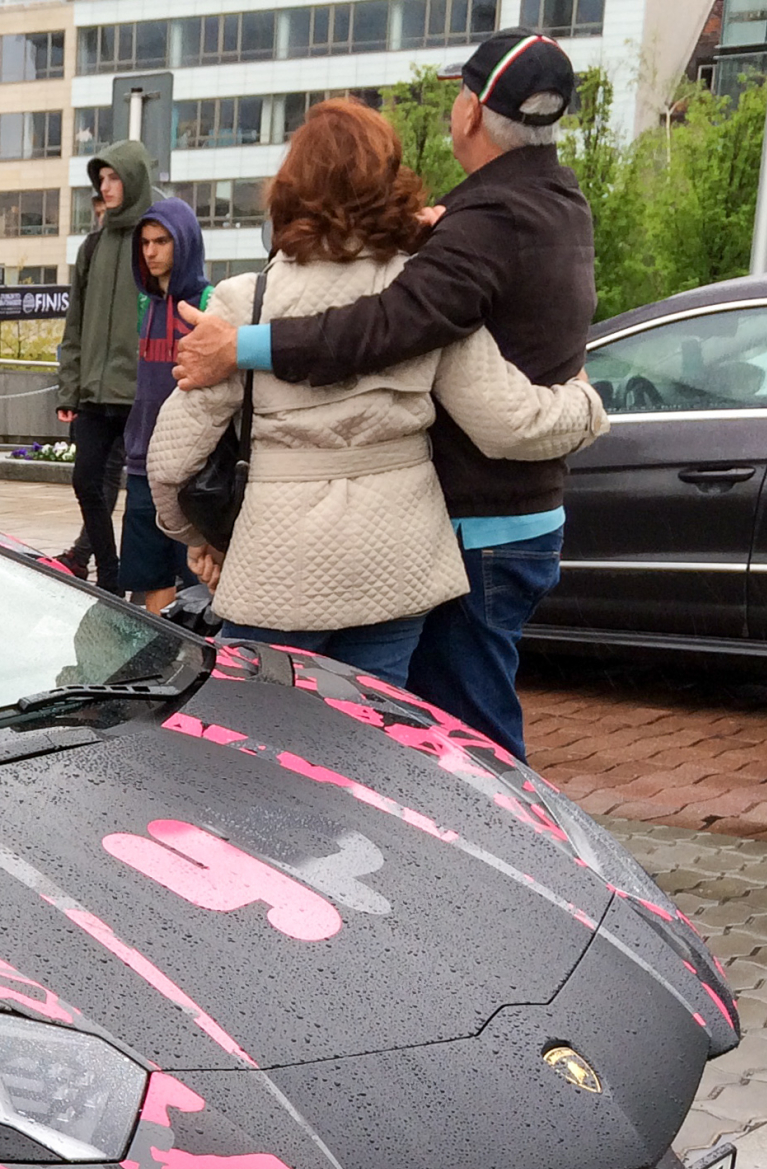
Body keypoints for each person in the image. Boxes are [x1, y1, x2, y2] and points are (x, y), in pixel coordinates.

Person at [171, 32, 594, 758]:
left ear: (467, 112)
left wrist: (240, 351)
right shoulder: (553, 204)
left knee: (458, 749)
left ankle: (493, 866)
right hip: (441, 549)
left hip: (464, 529)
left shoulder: (471, 233)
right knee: (384, 752)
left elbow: (382, 329)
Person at [54, 141, 154, 588]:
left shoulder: (154, 241)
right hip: (95, 392)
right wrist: (69, 388)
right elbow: (74, 323)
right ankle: (109, 574)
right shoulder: (92, 247)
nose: (106, 187)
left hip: (141, 392)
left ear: (133, 180)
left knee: (145, 498)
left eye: (115, 178)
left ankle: (142, 578)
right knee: (86, 481)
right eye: (102, 179)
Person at [119, 198, 210, 612]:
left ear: (184, 243)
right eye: (144, 243)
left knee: (196, 581)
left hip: (192, 464)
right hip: (142, 461)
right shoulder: (143, 305)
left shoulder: (208, 303)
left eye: (161, 242)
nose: (150, 252)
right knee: (148, 577)